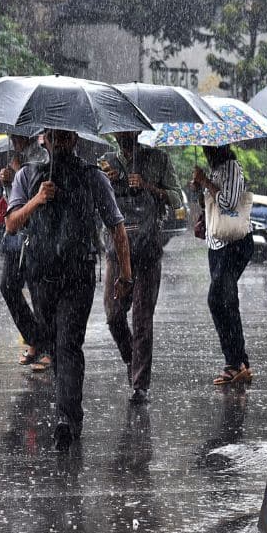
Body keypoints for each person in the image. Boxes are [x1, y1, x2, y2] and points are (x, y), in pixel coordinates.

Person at [6, 128, 132, 449]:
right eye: (53, 137)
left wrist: (126, 274)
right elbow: (12, 224)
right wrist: (38, 199)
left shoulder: (93, 177)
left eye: (65, 137)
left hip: (78, 275)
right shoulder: (28, 176)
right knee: (54, 345)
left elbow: (116, 226)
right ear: (43, 140)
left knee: (69, 344)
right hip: (41, 275)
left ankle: (67, 417)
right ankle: (68, 410)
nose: (59, 142)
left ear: (74, 140)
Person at [101, 131, 183, 404]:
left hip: (147, 248)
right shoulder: (106, 161)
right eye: (118, 132)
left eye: (128, 132)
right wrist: (107, 184)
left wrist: (149, 186)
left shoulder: (158, 159)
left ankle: (140, 384)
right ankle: (131, 359)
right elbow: (97, 203)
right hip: (116, 248)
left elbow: (177, 200)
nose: (122, 136)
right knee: (114, 315)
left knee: (142, 318)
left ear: (136, 131)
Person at [0, 134, 49, 372]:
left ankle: (47, 348)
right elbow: (10, 201)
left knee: (39, 291)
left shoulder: (42, 156)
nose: (13, 139)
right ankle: (35, 338)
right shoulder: (14, 159)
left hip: (38, 234)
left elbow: (42, 197)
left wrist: (17, 178)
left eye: (16, 134)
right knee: (8, 286)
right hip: (16, 235)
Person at [189, 145, 254, 386]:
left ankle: (234, 362)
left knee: (219, 300)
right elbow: (210, 205)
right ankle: (240, 362)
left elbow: (228, 203)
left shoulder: (232, 169)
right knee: (226, 300)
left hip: (234, 244)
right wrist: (199, 189)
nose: (205, 152)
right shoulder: (215, 171)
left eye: (208, 148)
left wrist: (206, 181)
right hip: (216, 244)